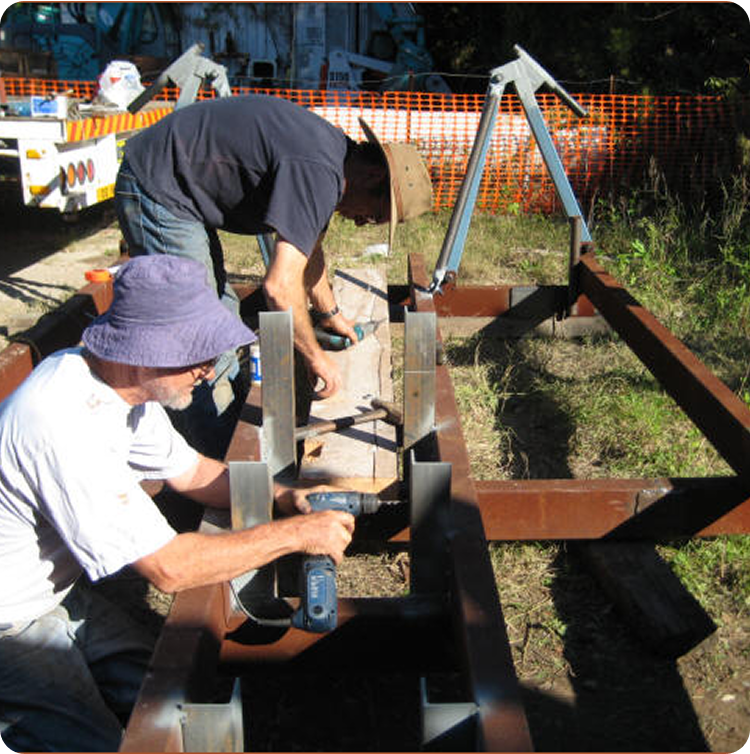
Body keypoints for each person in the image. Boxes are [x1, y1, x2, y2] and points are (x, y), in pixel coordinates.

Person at [0, 255, 354, 753]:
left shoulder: (120, 389)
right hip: (7, 622)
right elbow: (170, 569)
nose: (208, 373)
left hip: (51, 597)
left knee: (169, 691)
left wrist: (281, 496)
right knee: (100, 745)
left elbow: (190, 473)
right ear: (141, 352)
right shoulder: (60, 423)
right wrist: (295, 535)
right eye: (195, 357)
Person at [114, 93, 433, 452]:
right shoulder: (320, 171)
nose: (362, 223)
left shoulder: (332, 160)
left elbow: (308, 253)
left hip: (180, 186)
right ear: (373, 174)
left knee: (221, 313)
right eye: (375, 214)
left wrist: (331, 314)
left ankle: (232, 429)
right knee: (200, 329)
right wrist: (316, 358)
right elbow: (280, 287)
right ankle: (214, 462)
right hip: (159, 186)